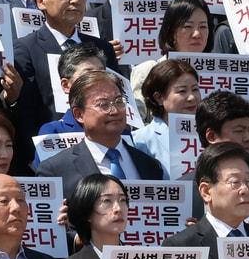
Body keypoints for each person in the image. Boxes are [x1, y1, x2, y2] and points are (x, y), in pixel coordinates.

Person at [37, 70, 167, 193]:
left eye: (119, 102)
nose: (115, 111)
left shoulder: (150, 165)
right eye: (103, 104)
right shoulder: (55, 170)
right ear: (78, 114)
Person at [128, 0, 209, 117]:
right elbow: (139, 120)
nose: (197, 34)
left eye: (203, 26)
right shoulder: (148, 70)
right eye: (187, 26)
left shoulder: (223, 73)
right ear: (171, 32)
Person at [132, 58, 201, 174]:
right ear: (159, 97)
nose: (192, 97)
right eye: (182, 91)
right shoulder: (139, 141)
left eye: (195, 89)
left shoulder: (210, 136)